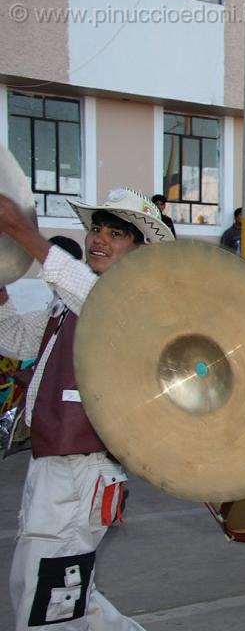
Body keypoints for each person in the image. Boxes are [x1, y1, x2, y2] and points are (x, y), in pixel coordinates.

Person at [0, 181, 173, 630]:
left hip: (82, 470)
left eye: (116, 233)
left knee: (49, 602)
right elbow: (17, 338)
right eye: (97, 228)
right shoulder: (71, 301)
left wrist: (28, 237)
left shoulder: (134, 302)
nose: (98, 238)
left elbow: (100, 305)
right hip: (54, 466)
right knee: (57, 592)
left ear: (141, 250)